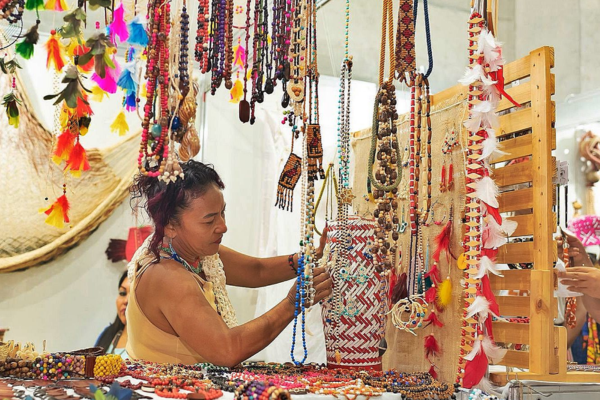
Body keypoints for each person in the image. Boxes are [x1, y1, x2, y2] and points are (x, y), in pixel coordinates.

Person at [126, 160, 332, 367]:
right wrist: (292, 303)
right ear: (170, 225)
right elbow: (228, 349)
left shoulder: (198, 255)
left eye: (222, 213)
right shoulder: (166, 275)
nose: (223, 226)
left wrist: (310, 258)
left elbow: (256, 271)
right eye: (209, 220)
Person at [95, 271, 130, 358]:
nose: (126, 300)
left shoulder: (157, 344)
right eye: (123, 293)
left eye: (134, 295)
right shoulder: (108, 333)